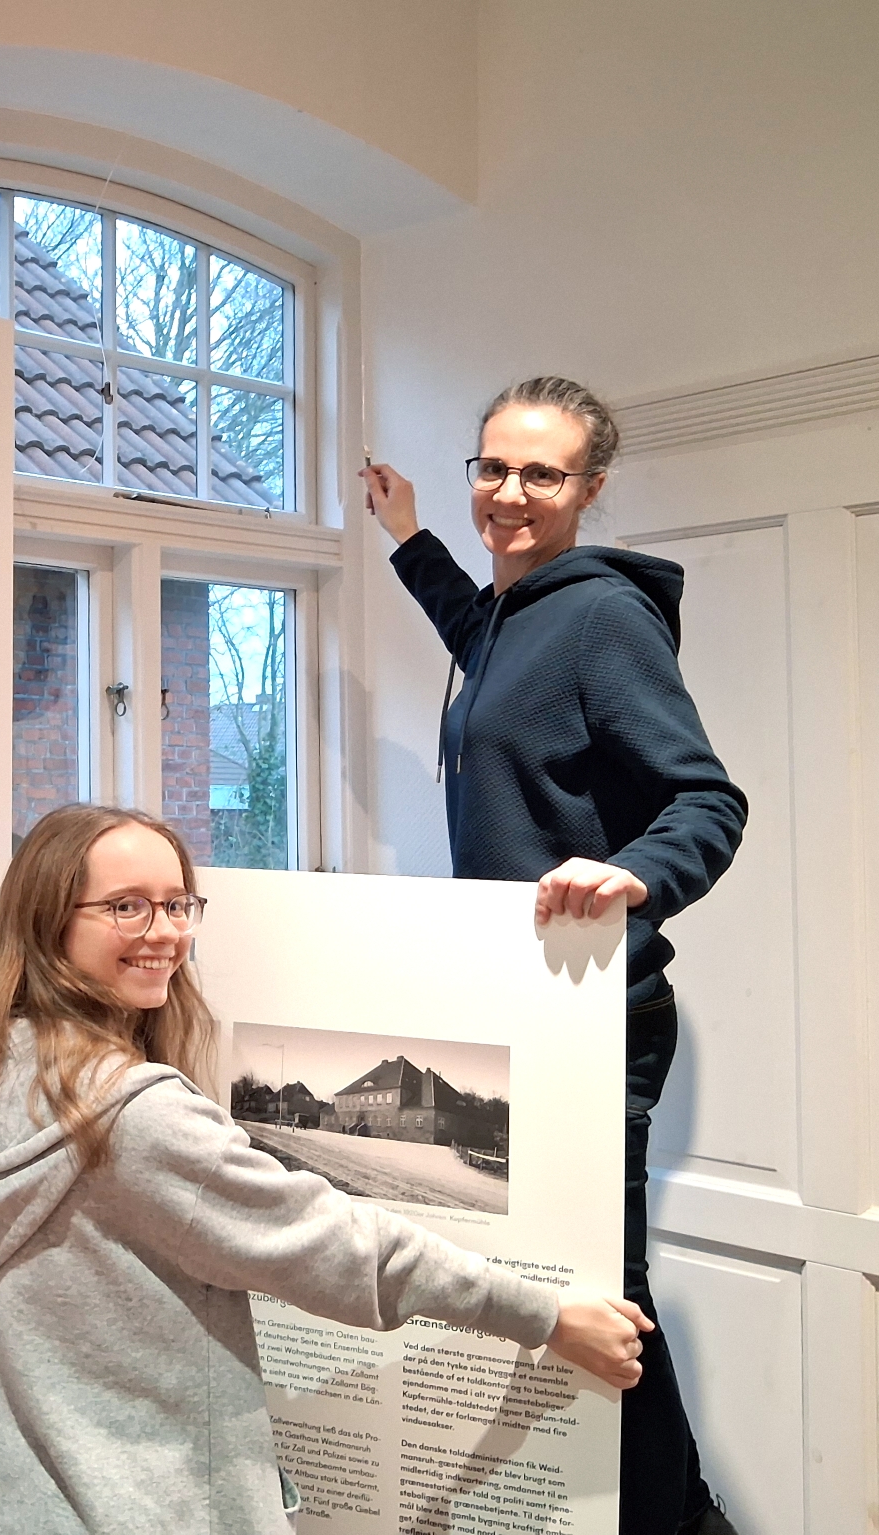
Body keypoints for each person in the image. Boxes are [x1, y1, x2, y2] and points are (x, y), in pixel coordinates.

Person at [0, 804, 651, 1535]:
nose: (165, 932)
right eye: (127, 906)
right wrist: (544, 1314)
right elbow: (349, 1249)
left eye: (176, 904)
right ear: (48, 920)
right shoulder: (135, 1114)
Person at [362, 376, 746, 1535]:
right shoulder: (509, 613)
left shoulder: (598, 619)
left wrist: (636, 871)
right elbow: (475, 638)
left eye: (539, 474)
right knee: (568, 1295)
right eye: (491, 468)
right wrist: (409, 533)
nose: (507, 494)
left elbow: (704, 799)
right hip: (521, 1019)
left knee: (595, 1305)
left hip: (593, 1017)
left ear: (588, 488)